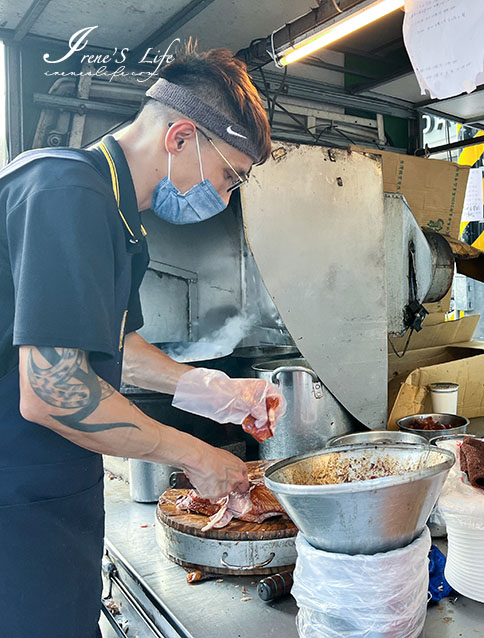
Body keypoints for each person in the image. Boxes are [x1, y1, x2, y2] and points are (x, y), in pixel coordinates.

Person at [0, 45, 283, 637]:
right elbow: (53, 392)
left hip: (54, 494)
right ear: (181, 137)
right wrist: (196, 455)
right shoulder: (63, 191)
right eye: (229, 175)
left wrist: (211, 389)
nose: (226, 196)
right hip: (14, 507)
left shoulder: (120, 219)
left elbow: (111, 347)